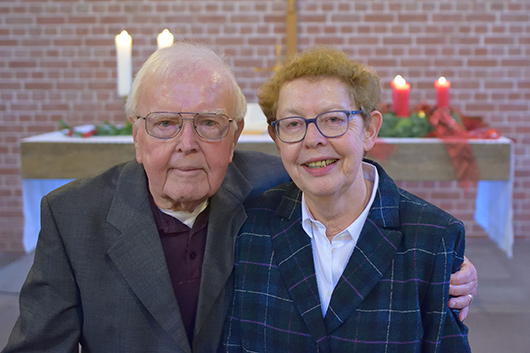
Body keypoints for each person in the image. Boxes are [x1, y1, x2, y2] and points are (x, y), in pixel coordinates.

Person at [3, 43, 475, 353]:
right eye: (166, 123)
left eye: (209, 123)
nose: (187, 144)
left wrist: (441, 263)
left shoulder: (269, 186)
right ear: (137, 135)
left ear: (235, 139)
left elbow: (345, 178)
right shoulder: (73, 217)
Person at [221, 47, 471, 352]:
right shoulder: (251, 226)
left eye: (334, 119)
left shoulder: (432, 240)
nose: (313, 139)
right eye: (293, 124)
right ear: (277, 139)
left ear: (369, 129)